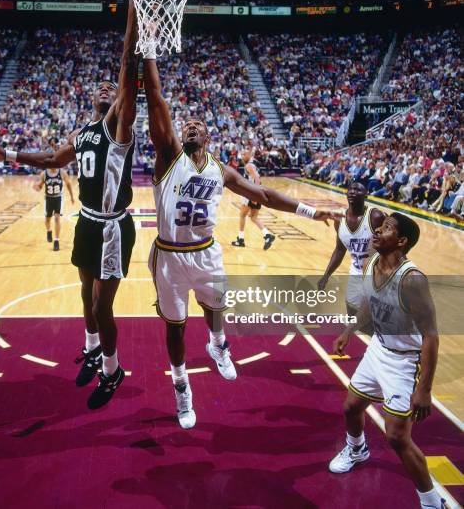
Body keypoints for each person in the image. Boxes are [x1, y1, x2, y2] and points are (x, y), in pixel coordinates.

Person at [143, 56, 340, 429]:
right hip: (169, 256)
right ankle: (182, 386)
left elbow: (264, 195)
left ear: (208, 137)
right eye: (186, 125)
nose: (190, 128)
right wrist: (149, 52)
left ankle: (218, 344)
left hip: (205, 252)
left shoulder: (221, 170)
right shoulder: (168, 157)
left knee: (216, 309)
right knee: (175, 326)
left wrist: (313, 212)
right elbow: (155, 97)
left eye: (197, 125)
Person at [0, 0, 139, 410]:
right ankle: (91, 348)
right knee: (85, 294)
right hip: (86, 221)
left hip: (111, 226)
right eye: (100, 88)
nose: (106, 89)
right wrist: (7, 155)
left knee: (104, 304)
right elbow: (53, 159)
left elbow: (126, 67)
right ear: (91, 99)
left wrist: (134, 11)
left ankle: (112, 369)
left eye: (112, 88)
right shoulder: (84, 131)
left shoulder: (118, 125)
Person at [330, 213, 445, 509]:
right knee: (352, 406)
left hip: (405, 361)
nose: (378, 231)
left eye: (387, 229)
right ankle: (357, 451)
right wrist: (348, 331)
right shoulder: (370, 262)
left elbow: (431, 336)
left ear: (402, 241)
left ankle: (432, 503)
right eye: (380, 227)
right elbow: (369, 304)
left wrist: (424, 389)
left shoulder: (412, 280)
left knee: (397, 437)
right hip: (378, 349)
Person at [318, 182, 384, 319]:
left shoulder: (376, 217)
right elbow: (340, 250)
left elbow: (393, 242)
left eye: (358, 190)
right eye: (351, 189)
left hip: (378, 273)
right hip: (356, 271)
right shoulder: (339, 220)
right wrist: (326, 275)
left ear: (366, 194)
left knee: (379, 317)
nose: (353, 192)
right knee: (352, 314)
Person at [231, 149, 275, 250]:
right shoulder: (253, 163)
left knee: (242, 215)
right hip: (258, 192)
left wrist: (255, 194)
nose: (242, 156)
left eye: (244, 154)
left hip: (251, 193)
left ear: (249, 155)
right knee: (254, 217)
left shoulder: (249, 165)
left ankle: (240, 240)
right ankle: (267, 235)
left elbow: (257, 179)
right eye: (241, 154)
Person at [33, 164, 75, 251]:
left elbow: (68, 184)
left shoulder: (62, 172)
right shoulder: (44, 173)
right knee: (47, 218)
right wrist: (37, 187)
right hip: (48, 198)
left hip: (58, 198)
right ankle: (49, 231)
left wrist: (71, 197)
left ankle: (56, 241)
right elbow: (40, 186)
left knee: (57, 218)